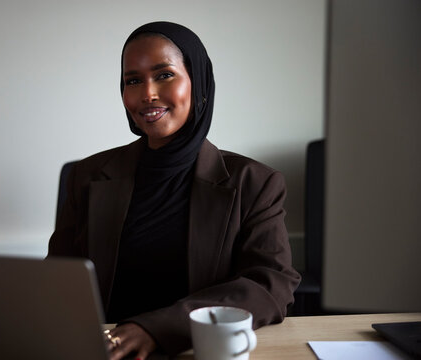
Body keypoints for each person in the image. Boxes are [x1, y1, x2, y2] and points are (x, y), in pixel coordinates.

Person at [48, 21, 301, 360]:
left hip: (196, 351)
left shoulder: (254, 183)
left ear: (198, 83)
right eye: (133, 80)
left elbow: (271, 285)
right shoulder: (88, 175)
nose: (147, 93)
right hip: (105, 351)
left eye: (164, 75)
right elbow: (58, 280)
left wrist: (155, 328)